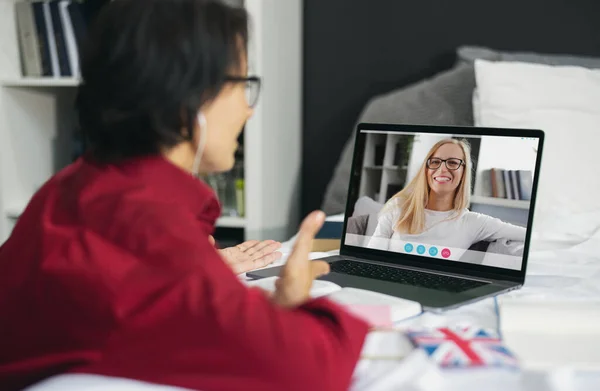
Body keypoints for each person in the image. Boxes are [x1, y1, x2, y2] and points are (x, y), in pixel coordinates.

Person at [0, 1, 369, 390]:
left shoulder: (73, 185)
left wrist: (205, 269)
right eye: (243, 85)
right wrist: (298, 303)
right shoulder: (149, 235)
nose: (248, 110)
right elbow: (314, 368)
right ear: (189, 98)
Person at [368, 138, 526, 254]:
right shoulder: (399, 206)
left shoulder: (474, 222)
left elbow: (527, 235)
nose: (442, 169)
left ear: (463, 171)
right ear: (426, 168)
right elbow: (372, 256)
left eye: (452, 163)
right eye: (435, 162)